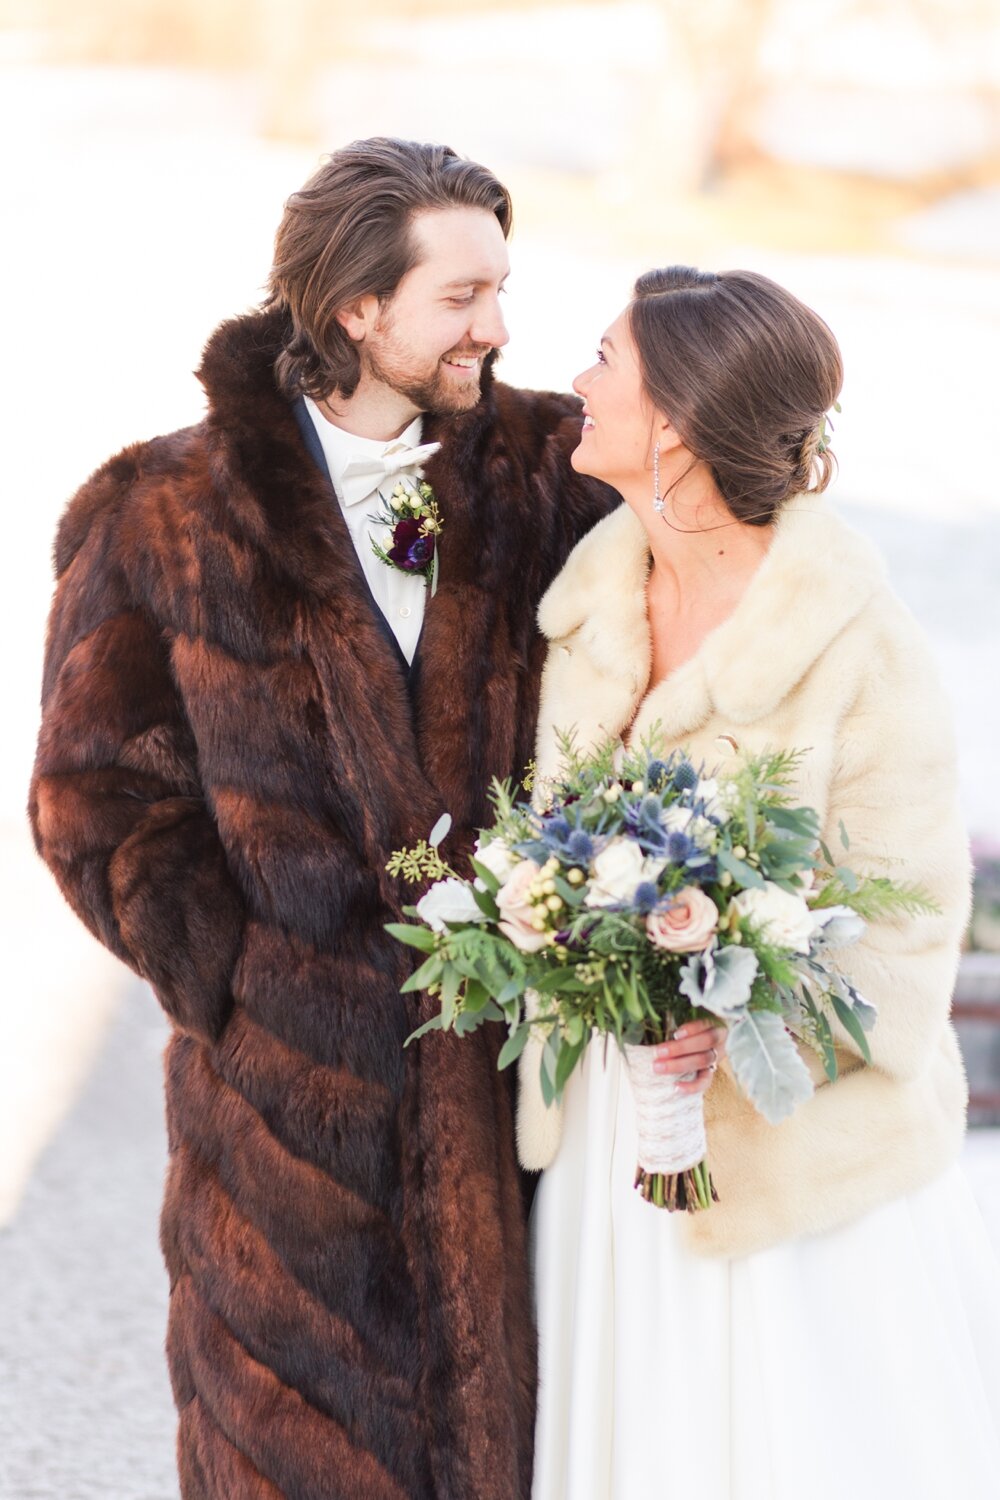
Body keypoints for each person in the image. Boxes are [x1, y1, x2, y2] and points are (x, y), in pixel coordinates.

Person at [29, 138, 615, 1500]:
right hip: (289, 1114)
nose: (500, 325)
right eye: (461, 295)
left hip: (523, 1083)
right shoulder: (162, 510)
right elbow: (92, 794)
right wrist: (241, 979)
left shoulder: (549, 474)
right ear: (358, 307)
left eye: (502, 288)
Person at [518, 265, 1000, 1499]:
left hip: (789, 1151)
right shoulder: (585, 602)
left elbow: (910, 912)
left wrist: (741, 1030)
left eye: (603, 362)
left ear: (672, 422)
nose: (575, 384)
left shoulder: (855, 636)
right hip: (605, 1134)